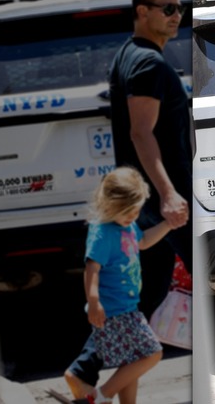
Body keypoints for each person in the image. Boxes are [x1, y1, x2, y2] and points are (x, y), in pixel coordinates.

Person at [65, 0, 193, 399]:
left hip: (148, 202)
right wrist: (169, 192)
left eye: (179, 8)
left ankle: (90, 375)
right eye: (167, 8)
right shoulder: (147, 63)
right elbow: (142, 134)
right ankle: (89, 377)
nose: (177, 16)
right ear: (142, 11)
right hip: (160, 201)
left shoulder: (130, 55)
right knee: (144, 294)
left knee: (137, 298)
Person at [69, 167, 172, 404]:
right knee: (152, 353)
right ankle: (101, 395)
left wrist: (168, 225)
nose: (133, 216)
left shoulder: (126, 225)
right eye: (128, 211)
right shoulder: (103, 232)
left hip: (128, 306)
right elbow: (91, 269)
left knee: (132, 361)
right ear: (110, 205)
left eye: (137, 211)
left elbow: (144, 241)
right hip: (114, 310)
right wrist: (93, 302)